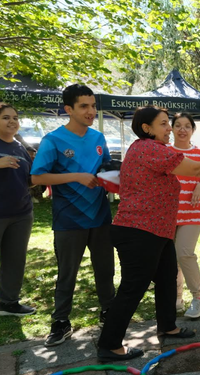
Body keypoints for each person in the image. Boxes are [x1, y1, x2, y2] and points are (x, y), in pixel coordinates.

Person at [96, 105, 200, 362]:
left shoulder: (148, 148)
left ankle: (168, 325)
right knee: (132, 289)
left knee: (168, 277)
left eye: (168, 123)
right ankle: (109, 345)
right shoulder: (150, 149)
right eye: (163, 124)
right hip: (139, 231)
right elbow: (199, 170)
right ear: (146, 128)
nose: (169, 128)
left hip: (157, 231)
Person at [31, 84, 116, 347]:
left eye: (93, 106)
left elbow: (106, 169)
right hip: (69, 221)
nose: (91, 111)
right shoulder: (53, 140)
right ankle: (60, 322)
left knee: (106, 270)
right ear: (68, 109)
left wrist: (115, 177)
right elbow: (36, 176)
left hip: (101, 217)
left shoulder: (98, 138)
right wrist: (76, 176)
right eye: (84, 106)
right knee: (67, 273)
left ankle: (109, 313)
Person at [167, 113, 200, 318]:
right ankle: (176, 297)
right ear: (172, 129)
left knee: (184, 253)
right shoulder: (165, 152)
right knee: (171, 258)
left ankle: (198, 297)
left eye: (187, 126)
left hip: (192, 211)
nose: (182, 130)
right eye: (178, 125)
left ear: (193, 130)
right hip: (166, 213)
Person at [0, 103, 36, 316]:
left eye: (15, 117)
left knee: (15, 260)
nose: (12, 121)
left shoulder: (20, 145)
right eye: (5, 117)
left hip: (21, 213)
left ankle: (8, 302)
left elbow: (29, 179)